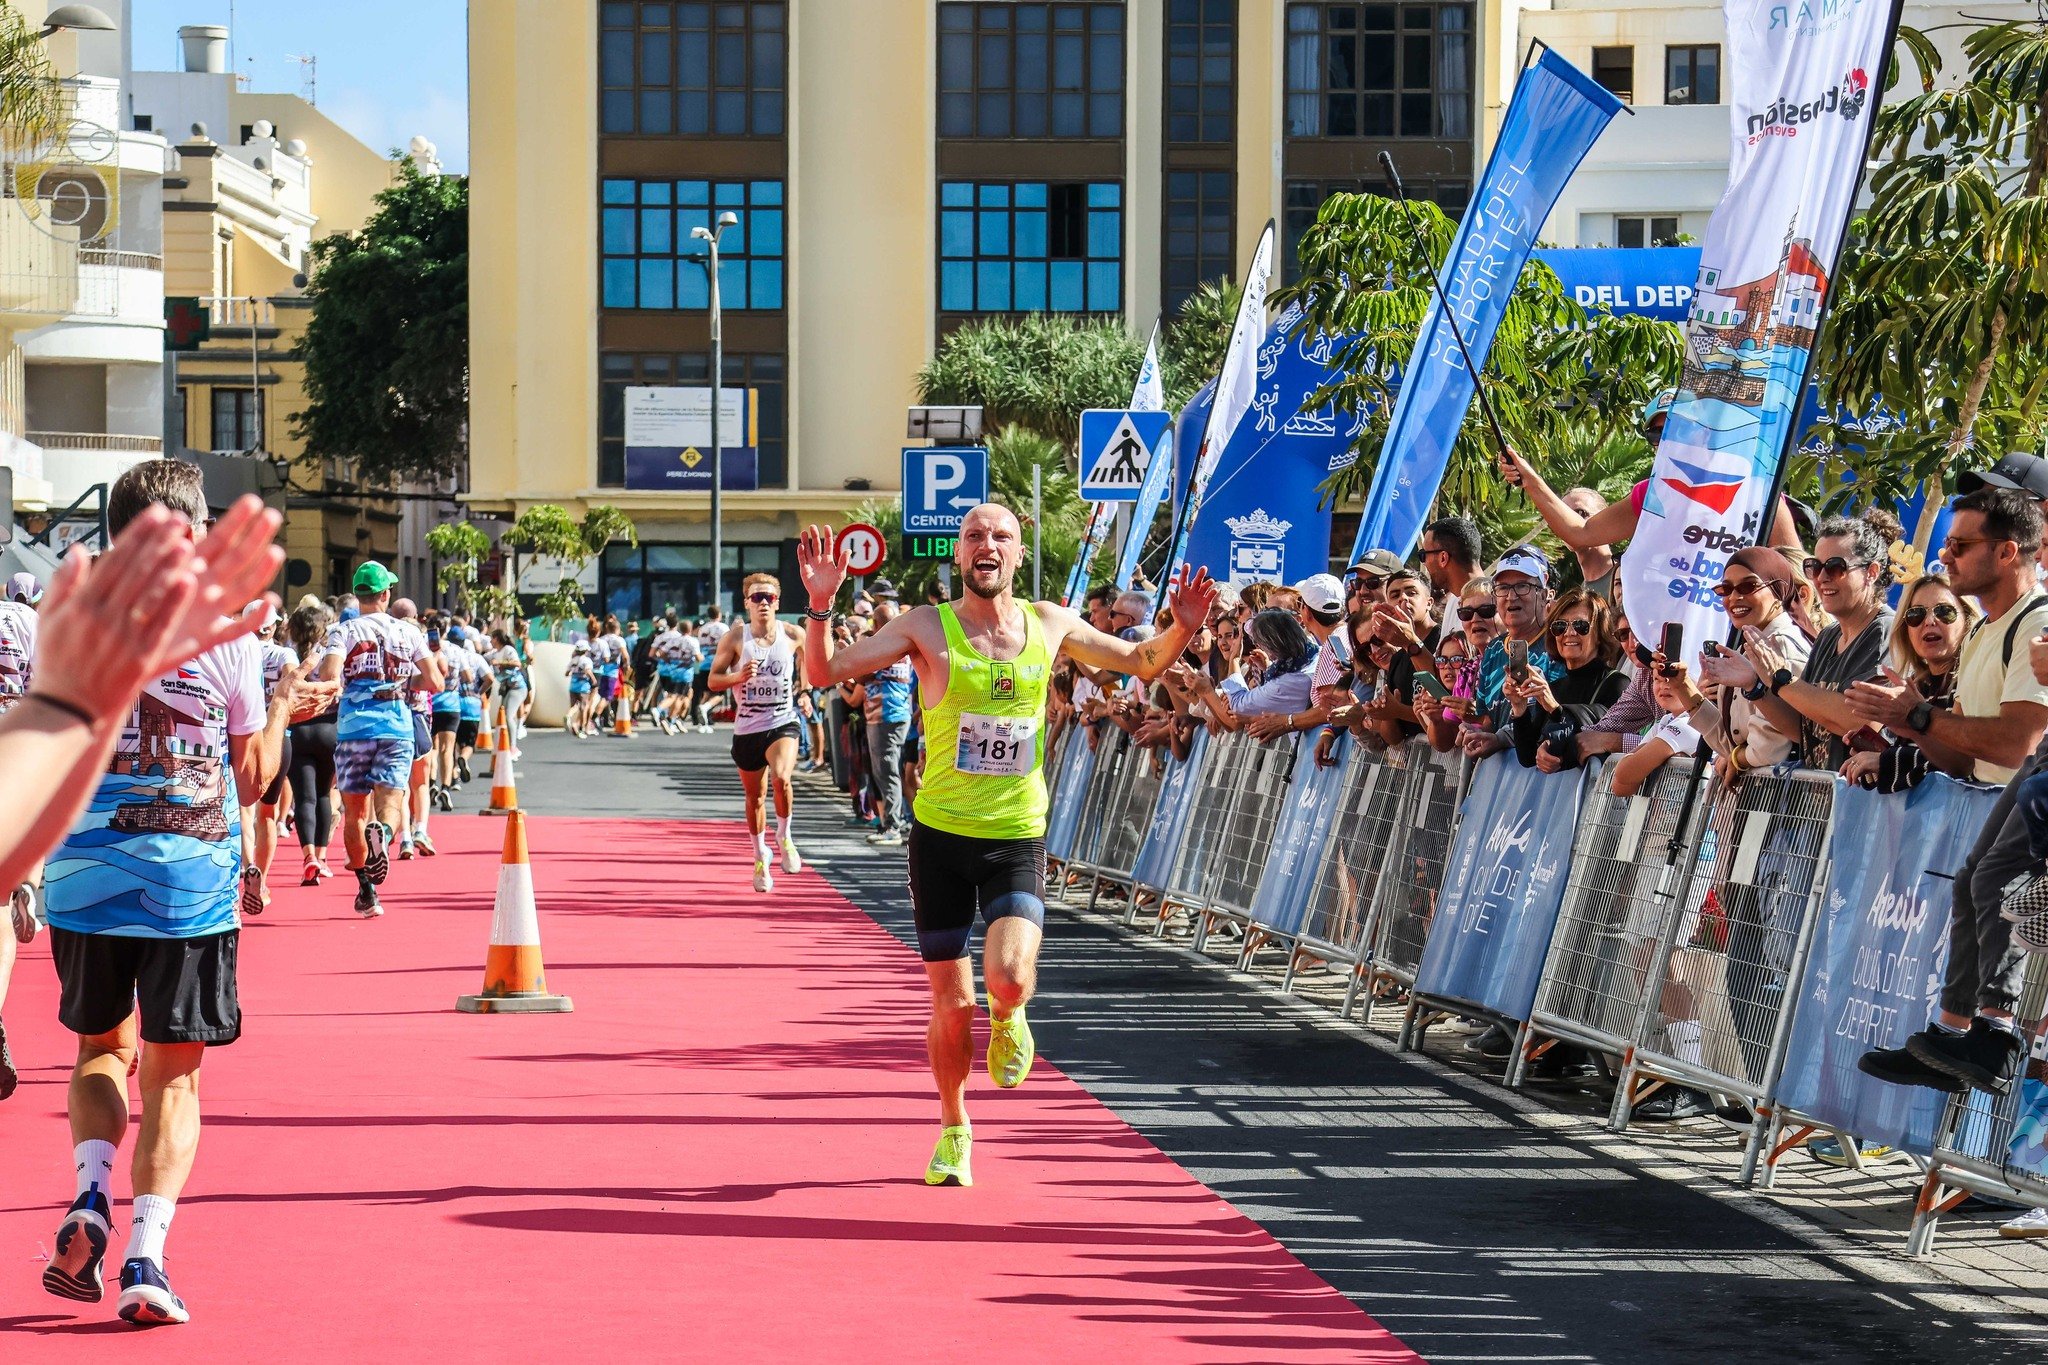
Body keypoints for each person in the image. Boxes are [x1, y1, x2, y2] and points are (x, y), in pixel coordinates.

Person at [794, 504, 1216, 1188]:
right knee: (951, 1006)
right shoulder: (926, 627)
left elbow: (1141, 660)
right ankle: (954, 1128)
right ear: (959, 556)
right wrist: (819, 605)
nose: (986, 545)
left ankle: (1012, 1010)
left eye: (1000, 536)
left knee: (1009, 976)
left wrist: (1184, 627)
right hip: (939, 838)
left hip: (1015, 834)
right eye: (974, 536)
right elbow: (824, 673)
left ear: (1019, 555)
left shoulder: (1049, 622)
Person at [36, 463, 295, 1326]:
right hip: (189, 878)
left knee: (100, 1052)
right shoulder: (229, 632)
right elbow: (255, 780)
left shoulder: (66, 617)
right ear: (192, 533)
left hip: (84, 871)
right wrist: (288, 705)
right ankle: (146, 1254)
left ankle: (87, 1196)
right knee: (175, 1078)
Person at [1850, 489, 2048, 1097]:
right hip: (2011, 786)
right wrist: (1909, 721)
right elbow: (1963, 754)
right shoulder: (1989, 628)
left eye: (1961, 545)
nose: (1946, 554)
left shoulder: (2037, 620)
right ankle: (1957, 1032)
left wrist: (1924, 719)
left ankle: (1995, 1034)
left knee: (1995, 887)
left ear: (2010, 552)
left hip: (2030, 783)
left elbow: (2016, 742)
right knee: (1972, 883)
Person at [316, 563, 443, 919]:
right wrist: (403, 684)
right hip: (396, 727)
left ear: (357, 595)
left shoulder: (343, 631)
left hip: (354, 728)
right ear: (385, 595)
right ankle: (384, 833)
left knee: (354, 811)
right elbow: (433, 680)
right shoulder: (409, 632)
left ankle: (365, 890)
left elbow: (329, 675)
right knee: (392, 799)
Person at [707, 572, 807, 892]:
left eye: (769, 598)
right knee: (755, 797)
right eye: (756, 598)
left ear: (778, 602)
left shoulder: (793, 634)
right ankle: (760, 855)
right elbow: (713, 680)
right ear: (746, 603)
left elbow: (809, 672)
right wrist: (738, 678)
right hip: (748, 727)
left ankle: (785, 836)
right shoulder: (736, 639)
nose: (763, 603)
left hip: (782, 721)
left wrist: (804, 693)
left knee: (782, 778)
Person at [1839, 575, 1974, 793]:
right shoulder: (1912, 688)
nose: (1929, 621)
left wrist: (1887, 762)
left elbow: (1962, 762)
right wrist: (1872, 759)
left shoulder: (1971, 680)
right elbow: (1895, 759)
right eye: (1916, 614)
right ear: (1906, 629)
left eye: (1944, 611)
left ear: (1967, 620)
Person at [1506, 589, 1626, 767]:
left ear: (1600, 633)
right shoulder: (1553, 687)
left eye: (1580, 626)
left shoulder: (1617, 684)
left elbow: (1595, 735)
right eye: (1560, 626)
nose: (1569, 633)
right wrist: (1519, 707)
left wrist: (1554, 708)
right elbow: (1528, 758)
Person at [285, 598, 340, 885]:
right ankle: (323, 855)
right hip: (328, 728)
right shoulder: (330, 656)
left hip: (297, 730)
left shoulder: (287, 655)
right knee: (323, 795)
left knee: (302, 797)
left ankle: (309, 857)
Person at [387, 599, 438, 860]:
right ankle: (421, 830)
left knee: (402, 784)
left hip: (395, 716)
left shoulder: (388, 642)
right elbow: (436, 680)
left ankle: (405, 837)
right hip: (418, 718)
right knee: (421, 783)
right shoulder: (420, 644)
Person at [863, 596, 915, 848]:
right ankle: (893, 821)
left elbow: (861, 674)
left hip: (886, 715)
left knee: (887, 770)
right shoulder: (901, 646)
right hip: (892, 714)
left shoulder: (885, 647)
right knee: (887, 770)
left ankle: (893, 825)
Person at [1417, 516, 1482, 609]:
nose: (1424, 563)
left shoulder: (1499, 604)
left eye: (1423, 555)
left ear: (1443, 558)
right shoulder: (1453, 603)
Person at [488, 629, 529, 754]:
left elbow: (517, 663)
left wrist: (500, 663)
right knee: (504, 715)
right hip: (507, 688)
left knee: (508, 716)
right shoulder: (495, 653)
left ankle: (513, 747)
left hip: (517, 687)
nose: (490, 640)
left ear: (497, 638)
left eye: (492, 638)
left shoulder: (508, 650)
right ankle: (506, 743)